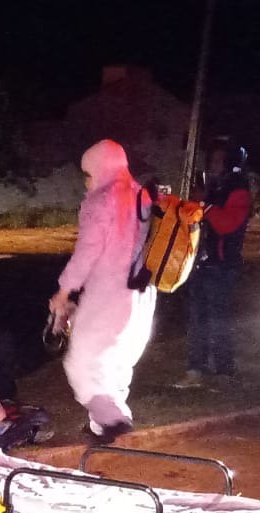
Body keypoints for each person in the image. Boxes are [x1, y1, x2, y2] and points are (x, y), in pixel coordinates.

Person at [49, 139, 155, 443]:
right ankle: (104, 424)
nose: (86, 180)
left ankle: (113, 422)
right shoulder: (141, 196)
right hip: (141, 293)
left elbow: (88, 251)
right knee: (116, 360)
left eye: (88, 172)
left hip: (108, 292)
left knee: (81, 360)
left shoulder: (104, 199)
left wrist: (64, 290)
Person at [176, 137, 251, 388]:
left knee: (219, 320)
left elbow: (228, 224)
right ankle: (196, 370)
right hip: (201, 263)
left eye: (219, 160)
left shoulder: (238, 188)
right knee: (198, 319)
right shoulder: (213, 186)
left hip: (222, 264)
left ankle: (224, 371)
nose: (214, 164)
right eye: (213, 160)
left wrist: (204, 207)